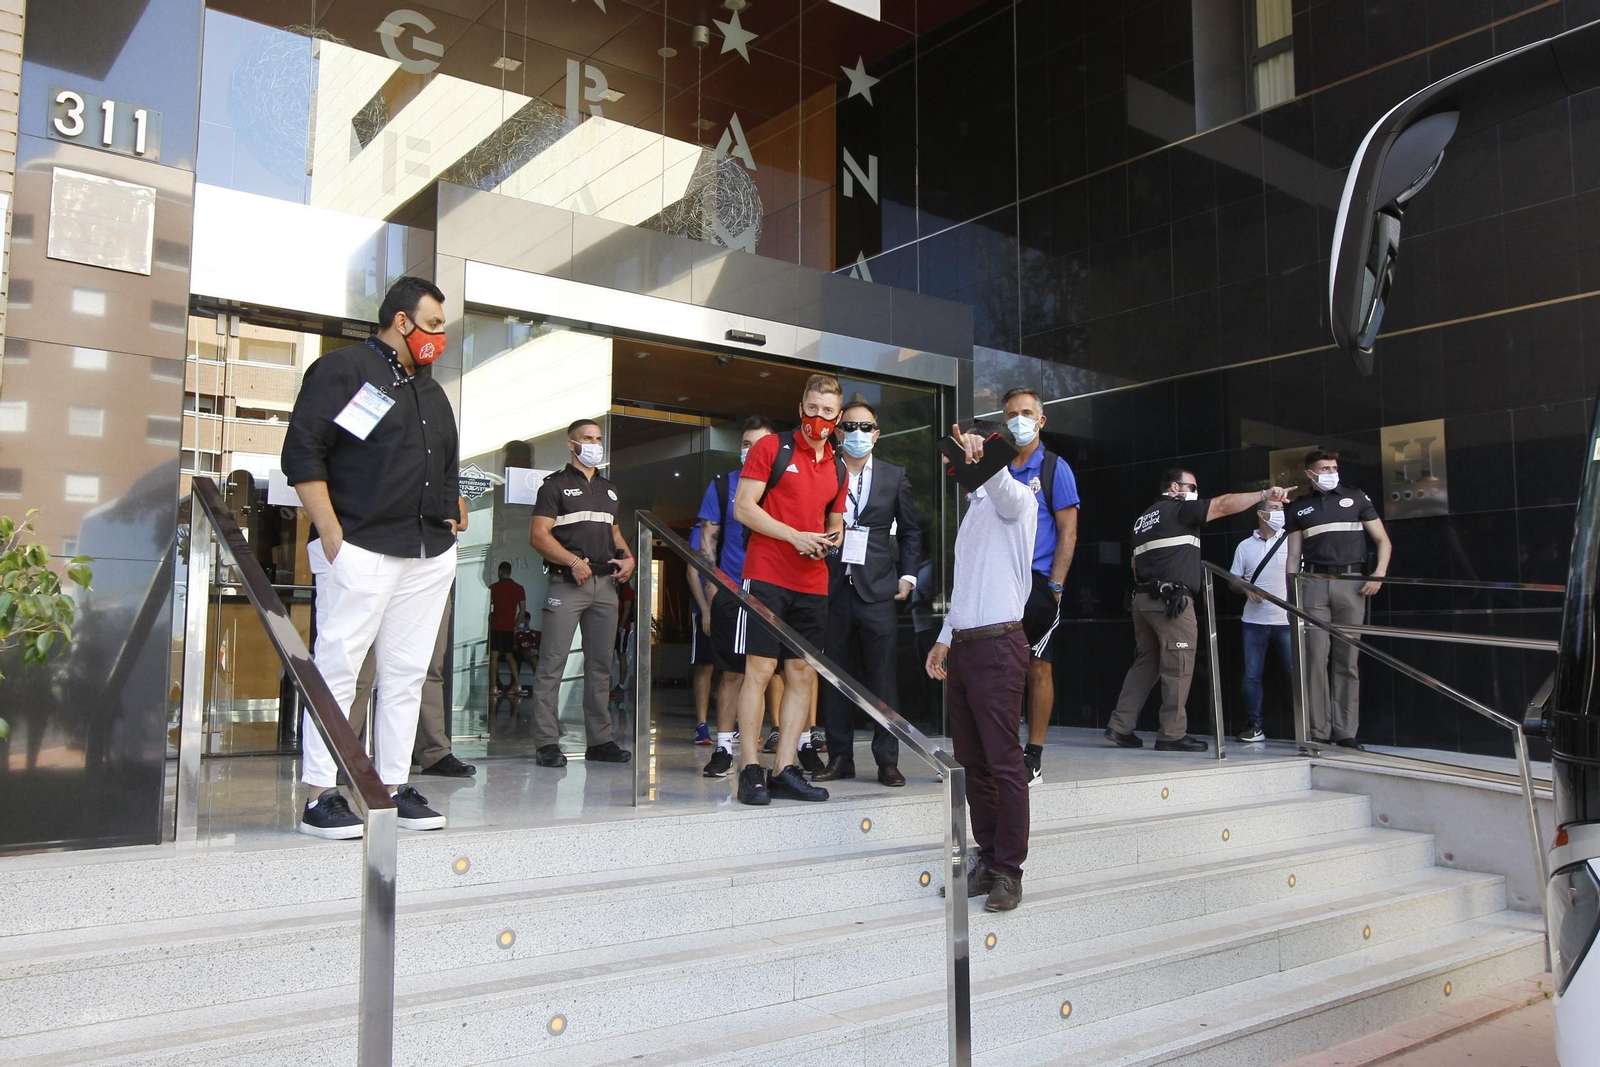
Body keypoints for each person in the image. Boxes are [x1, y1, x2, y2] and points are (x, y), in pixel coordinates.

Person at [281, 275, 459, 839]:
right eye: (432, 325)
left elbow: (446, 468)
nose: (439, 337)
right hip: (361, 545)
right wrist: (332, 533)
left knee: (406, 676)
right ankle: (319, 794)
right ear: (401, 321)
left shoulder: (430, 391)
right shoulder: (344, 370)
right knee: (338, 670)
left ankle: (392, 787)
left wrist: (450, 518)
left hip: (427, 552)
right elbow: (303, 453)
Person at [925, 424, 1037, 912]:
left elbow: (1002, 487)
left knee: (1004, 762)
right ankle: (989, 860)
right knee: (973, 764)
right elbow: (966, 585)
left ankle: (1009, 871)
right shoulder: (974, 512)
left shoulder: (1018, 499)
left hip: (999, 645)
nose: (961, 463)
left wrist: (985, 459)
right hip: (966, 645)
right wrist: (943, 637)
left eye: (971, 452)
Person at [1105, 469, 1291, 753]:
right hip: (1171, 603)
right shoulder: (1179, 510)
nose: (1196, 493)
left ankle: (1120, 725)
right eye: (1191, 487)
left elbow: (1134, 564)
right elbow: (1224, 504)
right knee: (1178, 667)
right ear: (1173, 487)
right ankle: (1172, 734)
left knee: (1146, 663)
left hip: (1143, 600)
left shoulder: (1143, 520)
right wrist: (1264, 494)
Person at [730, 376, 849, 804]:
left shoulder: (837, 465)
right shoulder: (771, 447)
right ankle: (750, 769)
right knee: (760, 671)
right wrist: (794, 535)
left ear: (837, 416)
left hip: (812, 582)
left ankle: (784, 769)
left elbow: (835, 521)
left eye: (827, 411)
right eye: (812, 408)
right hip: (766, 573)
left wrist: (829, 539)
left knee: (802, 674)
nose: (818, 417)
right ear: (801, 407)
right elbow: (743, 508)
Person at [814, 396, 922, 788]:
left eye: (865, 427)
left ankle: (887, 760)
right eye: (850, 426)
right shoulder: (823, 470)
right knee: (834, 677)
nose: (857, 433)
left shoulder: (895, 475)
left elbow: (910, 531)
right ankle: (840, 758)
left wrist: (908, 577)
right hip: (831, 587)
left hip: (878, 589)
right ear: (838, 432)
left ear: (877, 434)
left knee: (883, 679)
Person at [526, 419, 637, 767]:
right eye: (587, 438)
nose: (594, 444)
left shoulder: (609, 489)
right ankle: (546, 742)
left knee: (601, 665)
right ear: (571, 444)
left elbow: (614, 532)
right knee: (552, 664)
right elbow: (538, 535)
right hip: (567, 583)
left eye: (598, 438)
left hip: (605, 586)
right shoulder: (554, 486)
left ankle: (600, 741)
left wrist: (629, 558)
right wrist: (573, 561)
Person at [349, 496, 475, 779]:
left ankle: (434, 752)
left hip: (427, 569)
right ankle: (342, 754)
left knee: (427, 666)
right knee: (359, 667)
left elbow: (460, 517)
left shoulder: (435, 472)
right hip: (376, 559)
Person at [1284, 450, 1392, 749]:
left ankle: (1346, 731)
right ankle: (1318, 731)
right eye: (1324, 468)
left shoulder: (1356, 497)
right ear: (1310, 474)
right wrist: (1291, 596)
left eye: (1333, 467)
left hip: (1351, 583)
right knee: (1314, 660)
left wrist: (1378, 574)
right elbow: (1293, 556)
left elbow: (1382, 540)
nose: (1331, 472)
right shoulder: (1299, 507)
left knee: (1348, 659)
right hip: (1313, 584)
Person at [1001, 388, 1081, 787]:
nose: (1019, 419)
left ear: (1041, 420)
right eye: (1012, 414)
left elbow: (1068, 532)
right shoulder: (999, 467)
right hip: (1000, 582)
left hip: (1037, 582)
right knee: (999, 666)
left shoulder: (1053, 468)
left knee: (1038, 666)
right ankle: (1000, 750)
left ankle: (1032, 755)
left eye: (1026, 412)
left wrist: (1055, 585)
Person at [699, 417, 776, 779]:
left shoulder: (783, 485)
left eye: (758, 444)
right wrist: (713, 588)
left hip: (773, 589)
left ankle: (788, 744)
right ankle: (723, 748)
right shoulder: (721, 485)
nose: (751, 450)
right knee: (731, 672)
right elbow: (707, 540)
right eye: (746, 443)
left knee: (775, 672)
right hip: (731, 591)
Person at [1229, 498, 1290, 743]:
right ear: (1261, 514)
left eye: (1282, 509)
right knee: (1251, 676)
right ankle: (1254, 726)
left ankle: (1311, 728)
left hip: (1287, 621)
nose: (1280, 513)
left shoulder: (1292, 541)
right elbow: (1233, 580)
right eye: (1275, 508)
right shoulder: (1245, 546)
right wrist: (1246, 588)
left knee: (1296, 674)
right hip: (1254, 621)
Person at [685, 524, 716, 745]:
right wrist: (705, 609)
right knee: (705, 665)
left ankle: (733, 722)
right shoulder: (700, 531)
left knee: (734, 668)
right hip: (704, 608)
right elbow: (692, 572)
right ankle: (701, 724)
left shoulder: (742, 525)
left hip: (731, 608)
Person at [486, 561, 526, 699]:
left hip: (495, 626)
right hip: (509, 627)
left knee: (494, 656)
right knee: (509, 656)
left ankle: (493, 687)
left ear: (499, 572)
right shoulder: (518, 588)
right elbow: (522, 609)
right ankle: (518, 684)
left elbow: (486, 609)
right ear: (510, 572)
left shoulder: (493, 588)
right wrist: (515, 625)